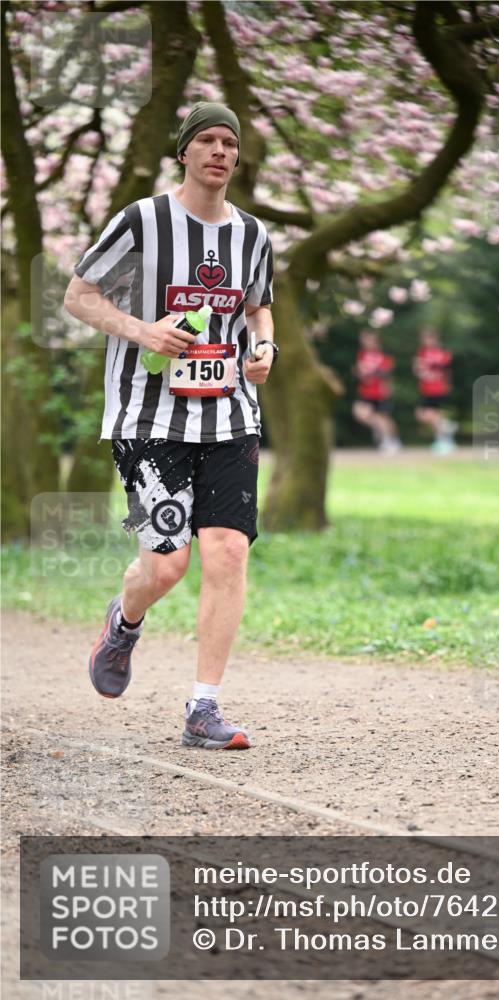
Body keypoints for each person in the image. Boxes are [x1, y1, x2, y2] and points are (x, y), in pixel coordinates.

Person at [64, 102, 278, 751]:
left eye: (228, 143)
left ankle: (202, 708)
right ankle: (124, 622)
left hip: (230, 413)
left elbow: (257, 308)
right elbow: (79, 295)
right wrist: (142, 330)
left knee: (227, 551)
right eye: (206, 141)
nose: (219, 152)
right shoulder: (142, 220)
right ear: (183, 152)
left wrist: (265, 348)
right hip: (148, 417)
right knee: (166, 565)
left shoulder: (250, 235)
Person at [351, 330, 401, 454]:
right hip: (366, 391)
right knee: (360, 413)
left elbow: (386, 374)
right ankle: (382, 432)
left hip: (380, 391)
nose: (365, 342)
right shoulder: (362, 354)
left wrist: (370, 373)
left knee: (384, 417)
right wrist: (358, 373)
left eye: (368, 339)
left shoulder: (383, 355)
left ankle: (391, 441)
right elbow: (358, 371)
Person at [413, 327, 456, 454]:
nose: (426, 341)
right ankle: (447, 427)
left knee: (434, 415)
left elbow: (446, 369)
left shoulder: (442, 352)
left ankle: (443, 441)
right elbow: (418, 369)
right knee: (422, 415)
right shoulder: (422, 352)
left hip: (438, 388)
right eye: (424, 338)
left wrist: (447, 384)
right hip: (425, 388)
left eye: (428, 337)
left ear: (435, 338)